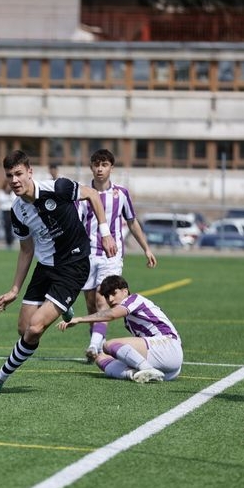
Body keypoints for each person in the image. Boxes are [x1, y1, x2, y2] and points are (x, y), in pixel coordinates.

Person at [0, 149, 117, 395]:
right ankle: (63, 306)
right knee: (23, 329)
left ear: (30, 172)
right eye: (10, 176)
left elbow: (93, 195)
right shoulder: (17, 211)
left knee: (35, 329)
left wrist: (105, 234)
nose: (14, 181)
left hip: (73, 266)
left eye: (19, 174)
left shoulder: (58, 187)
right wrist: (14, 289)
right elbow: (25, 250)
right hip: (45, 267)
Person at [78, 149, 157, 363]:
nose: (100, 169)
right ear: (91, 167)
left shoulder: (121, 194)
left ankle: (94, 346)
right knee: (91, 306)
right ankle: (95, 348)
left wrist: (146, 248)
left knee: (102, 301)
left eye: (104, 164)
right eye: (96, 164)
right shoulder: (82, 194)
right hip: (87, 256)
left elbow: (132, 222)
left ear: (111, 167)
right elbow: (76, 224)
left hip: (111, 256)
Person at [57, 275, 182, 383]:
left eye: (113, 293)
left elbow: (111, 315)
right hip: (167, 368)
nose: (110, 299)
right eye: (106, 296)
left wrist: (79, 319)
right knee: (100, 358)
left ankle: (146, 368)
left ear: (125, 291)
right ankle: (135, 374)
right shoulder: (128, 318)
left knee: (109, 345)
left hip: (169, 347)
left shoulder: (134, 299)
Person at [0, 178, 16, 249]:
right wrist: (8, 195)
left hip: (11, 210)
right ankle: (8, 242)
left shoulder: (13, 192)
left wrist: (9, 195)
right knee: (7, 226)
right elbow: (2, 199)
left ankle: (13, 239)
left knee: (13, 226)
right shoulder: (1, 191)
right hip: (5, 210)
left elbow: (14, 199)